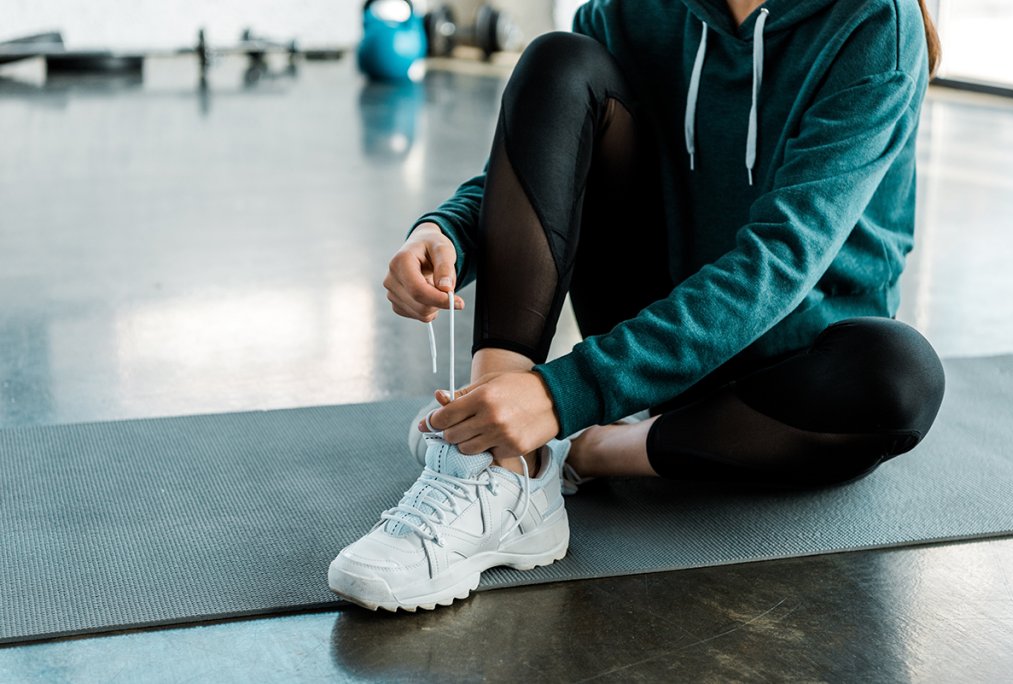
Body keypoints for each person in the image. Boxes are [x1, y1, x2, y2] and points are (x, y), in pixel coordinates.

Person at [328, 0, 947, 612]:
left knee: (900, 375)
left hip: (784, 374)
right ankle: (497, 460)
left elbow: (779, 259)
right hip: (654, 322)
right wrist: (446, 231)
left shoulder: (873, 23)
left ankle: (582, 447)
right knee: (560, 61)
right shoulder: (631, 9)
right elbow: (549, 156)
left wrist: (561, 397)